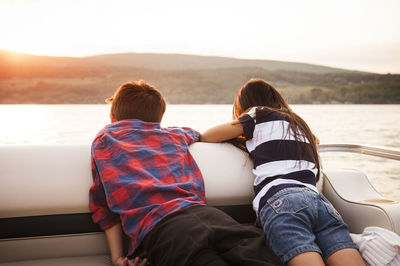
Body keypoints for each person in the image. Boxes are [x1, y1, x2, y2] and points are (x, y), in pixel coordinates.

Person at [89, 80, 282, 266]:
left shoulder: (105, 140)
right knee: (261, 256)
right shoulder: (176, 134)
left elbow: (103, 208)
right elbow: (198, 134)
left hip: (166, 231)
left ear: (113, 118)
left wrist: (118, 258)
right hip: (210, 216)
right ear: (158, 119)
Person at [201, 79, 365, 266]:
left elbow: (208, 135)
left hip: (282, 201)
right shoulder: (298, 122)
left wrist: (242, 134)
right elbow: (316, 140)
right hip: (318, 201)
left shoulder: (257, 114)